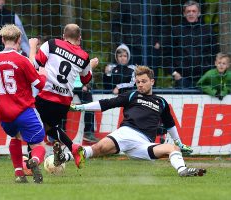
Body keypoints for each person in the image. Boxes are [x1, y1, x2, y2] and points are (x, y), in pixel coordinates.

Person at [69, 65, 207, 177]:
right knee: (98, 149)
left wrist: (179, 143)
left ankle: (183, 170)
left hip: (144, 144)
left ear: (152, 81)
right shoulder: (132, 95)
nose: (140, 85)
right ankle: (64, 157)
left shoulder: (161, 102)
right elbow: (106, 103)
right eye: (138, 82)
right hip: (126, 133)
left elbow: (170, 124)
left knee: (173, 149)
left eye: (144, 81)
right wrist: (80, 107)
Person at [0, 24, 47, 184]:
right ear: (18, 40)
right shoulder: (22, 60)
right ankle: (34, 161)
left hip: (4, 113)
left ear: (2, 39)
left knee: (15, 137)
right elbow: (40, 85)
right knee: (39, 144)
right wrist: (43, 74)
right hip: (24, 110)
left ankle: (19, 173)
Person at [29, 23, 99, 169]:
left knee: (31, 126)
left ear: (63, 36)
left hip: (46, 96)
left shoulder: (52, 44)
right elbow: (86, 79)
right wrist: (91, 65)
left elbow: (34, 65)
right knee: (49, 127)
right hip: (64, 102)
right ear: (79, 38)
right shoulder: (84, 56)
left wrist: (32, 47)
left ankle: (31, 162)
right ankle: (74, 148)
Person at [111, 0, 169, 81]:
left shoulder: (156, 2)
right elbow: (115, 24)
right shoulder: (126, 2)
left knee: (150, 80)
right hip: (131, 49)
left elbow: (164, 24)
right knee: (131, 80)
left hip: (151, 49)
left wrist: (160, 42)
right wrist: (120, 44)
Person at [171, 0, 219, 88]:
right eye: (188, 11)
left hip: (205, 76)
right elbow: (168, 53)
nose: (191, 14)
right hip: (182, 77)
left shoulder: (208, 30)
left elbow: (215, 52)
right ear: (184, 14)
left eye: (194, 11)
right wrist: (173, 72)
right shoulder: (176, 30)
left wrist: (211, 72)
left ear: (199, 13)